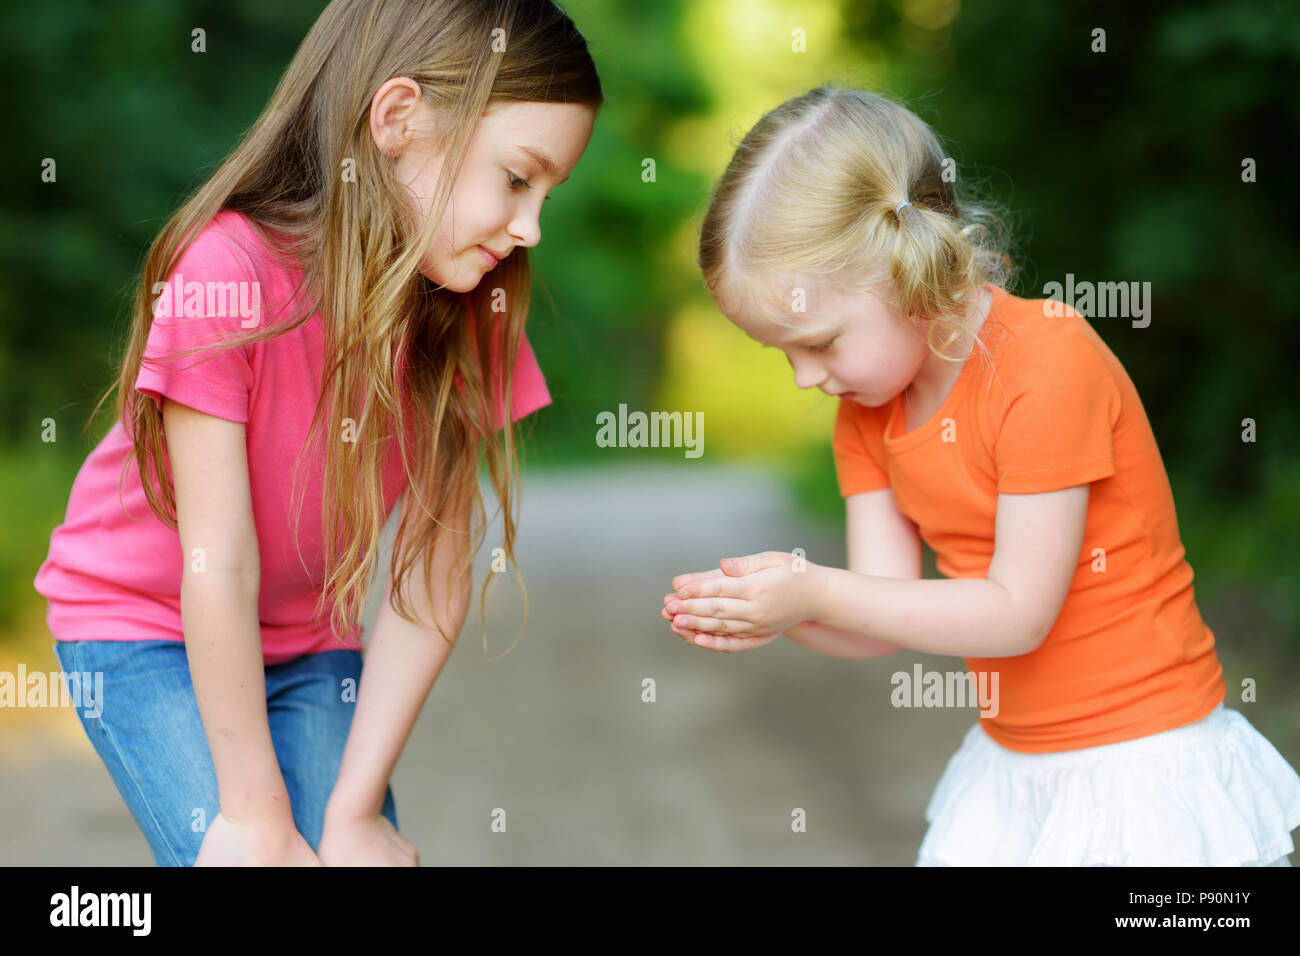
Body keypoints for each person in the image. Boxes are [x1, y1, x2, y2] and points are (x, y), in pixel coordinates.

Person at [663, 85, 1300, 866]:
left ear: (908, 267)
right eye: (781, 352)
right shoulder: (868, 410)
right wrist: (774, 610)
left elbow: (1015, 614)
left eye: (821, 342)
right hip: (1014, 765)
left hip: (1142, 762)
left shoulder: (1047, 362)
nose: (805, 378)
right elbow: (878, 613)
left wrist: (815, 591)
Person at [33, 0, 600, 867]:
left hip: (308, 643)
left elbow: (433, 578)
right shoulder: (225, 272)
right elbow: (216, 565)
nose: (531, 229)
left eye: (548, 194)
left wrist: (357, 810)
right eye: (518, 179)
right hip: (144, 627)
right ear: (399, 119)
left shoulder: (476, 307)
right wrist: (257, 820)